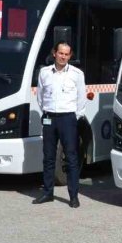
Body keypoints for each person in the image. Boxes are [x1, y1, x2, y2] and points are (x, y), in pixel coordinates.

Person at [33, 41, 86, 208]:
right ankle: (48, 192)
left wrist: (74, 118)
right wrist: (47, 112)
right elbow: (40, 97)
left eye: (66, 54)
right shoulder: (44, 73)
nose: (63, 57)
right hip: (49, 118)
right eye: (60, 53)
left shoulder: (77, 74)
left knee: (71, 158)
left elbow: (81, 99)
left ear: (70, 56)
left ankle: (73, 196)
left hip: (68, 119)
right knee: (48, 157)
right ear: (54, 53)